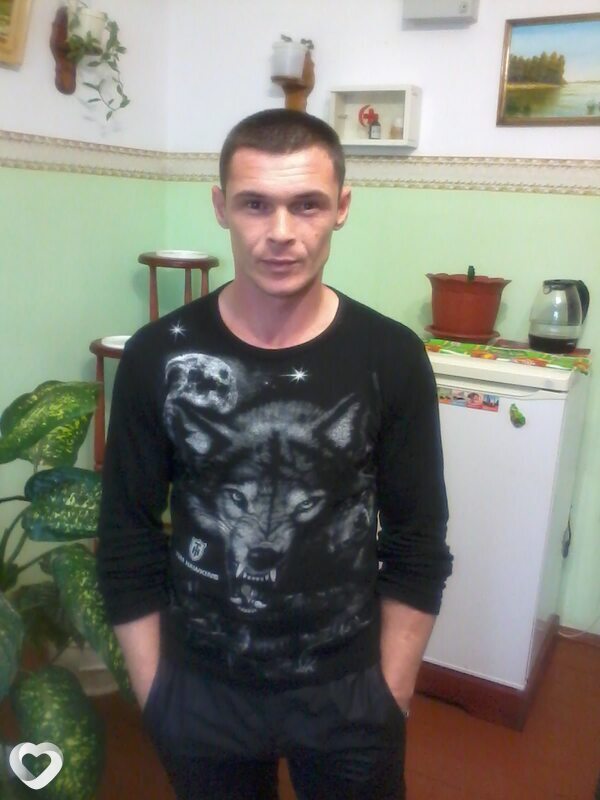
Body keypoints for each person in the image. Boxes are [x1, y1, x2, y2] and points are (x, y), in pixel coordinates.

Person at [96, 108, 452, 800]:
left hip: (349, 691)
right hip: (200, 686)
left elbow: (418, 537)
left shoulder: (391, 356)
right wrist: (155, 690)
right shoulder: (157, 357)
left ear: (341, 208)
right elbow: (126, 535)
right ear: (221, 206)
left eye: (306, 204)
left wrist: (394, 688)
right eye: (255, 204)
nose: (281, 232)